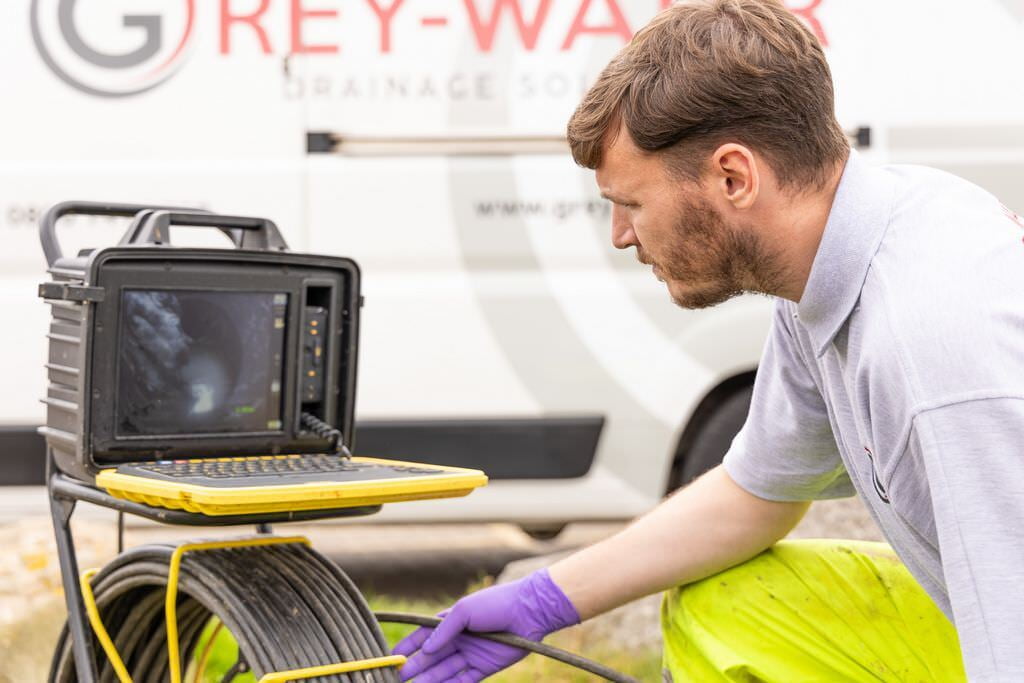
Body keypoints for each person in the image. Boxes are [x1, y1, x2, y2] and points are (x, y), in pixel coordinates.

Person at [394, 1, 1024, 680]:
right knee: (729, 600)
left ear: (733, 177)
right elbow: (758, 494)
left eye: (632, 202)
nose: (621, 234)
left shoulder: (937, 347)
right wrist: (542, 599)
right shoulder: (836, 262)